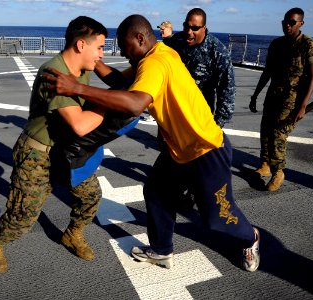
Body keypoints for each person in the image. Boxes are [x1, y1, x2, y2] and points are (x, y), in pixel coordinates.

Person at [46, 14, 260, 272]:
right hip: (177, 149)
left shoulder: (155, 63)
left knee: (217, 218)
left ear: (140, 38)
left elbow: (135, 103)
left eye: (126, 49)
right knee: (157, 192)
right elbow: (122, 83)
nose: (125, 55)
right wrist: (93, 61)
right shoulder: (157, 53)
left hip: (205, 149)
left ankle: (251, 238)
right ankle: (161, 250)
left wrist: (77, 89)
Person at [0, 16, 109, 273]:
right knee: (22, 217)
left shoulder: (84, 68)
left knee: (91, 197)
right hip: (37, 155)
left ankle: (72, 234)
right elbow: (80, 125)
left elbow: (114, 77)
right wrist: (114, 108)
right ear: (80, 45)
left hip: (67, 151)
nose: (102, 54)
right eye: (99, 47)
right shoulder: (54, 74)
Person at [249, 7, 313, 192]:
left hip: (292, 99)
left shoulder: (309, 45)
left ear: (301, 23)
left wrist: (303, 105)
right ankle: (265, 164)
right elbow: (268, 71)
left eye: (292, 22)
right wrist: (255, 94)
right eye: (285, 22)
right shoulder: (277, 44)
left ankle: (278, 171)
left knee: (279, 134)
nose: (287, 26)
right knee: (265, 130)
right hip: (273, 95)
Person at [165, 8, 235, 128]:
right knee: (167, 146)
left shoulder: (217, 51)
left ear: (204, 28)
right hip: (172, 111)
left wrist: (218, 124)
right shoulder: (175, 42)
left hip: (199, 116)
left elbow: (227, 88)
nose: (189, 31)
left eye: (195, 28)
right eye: (186, 26)